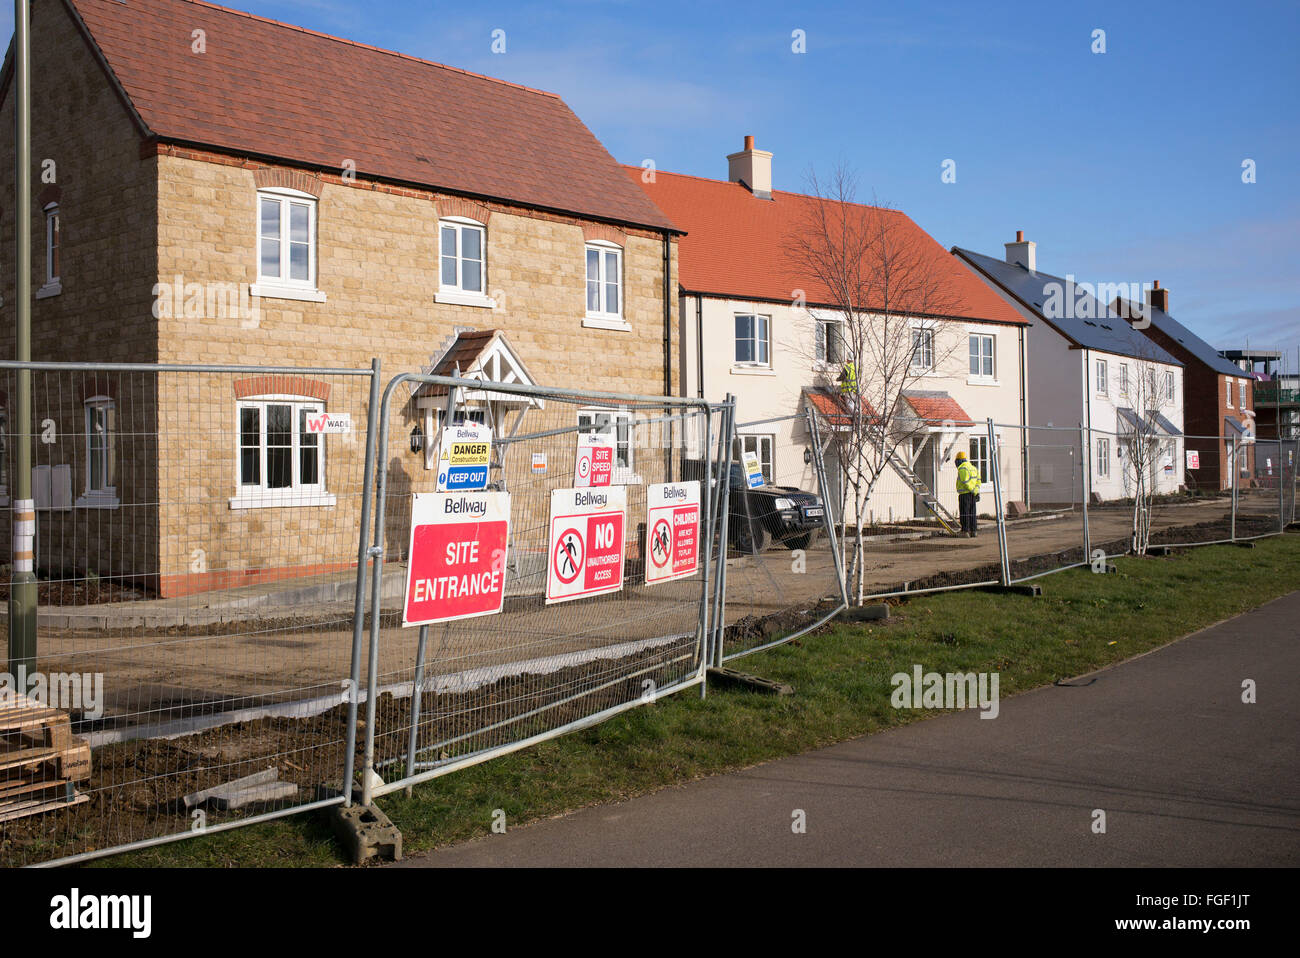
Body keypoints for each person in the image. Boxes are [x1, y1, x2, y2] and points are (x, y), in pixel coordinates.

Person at [954, 450, 981, 537]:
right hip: (973, 494)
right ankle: (974, 531)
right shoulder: (973, 468)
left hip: (965, 494)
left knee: (964, 513)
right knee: (972, 512)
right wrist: (975, 491)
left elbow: (965, 481)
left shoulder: (962, 468)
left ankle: (965, 531)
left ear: (958, 460)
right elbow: (978, 481)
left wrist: (971, 490)